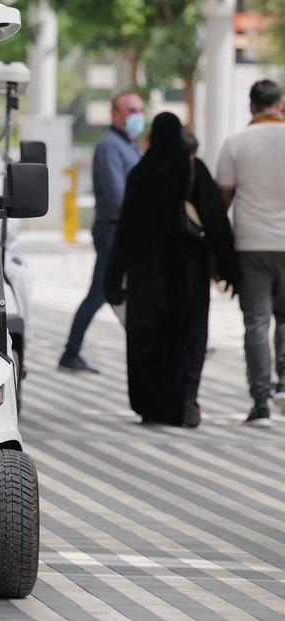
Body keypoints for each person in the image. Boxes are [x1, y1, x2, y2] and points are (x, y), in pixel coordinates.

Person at [104, 113, 238, 427]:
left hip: (145, 273)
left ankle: (150, 405)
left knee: (147, 337)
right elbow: (215, 221)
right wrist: (230, 267)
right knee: (189, 335)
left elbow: (125, 230)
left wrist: (113, 277)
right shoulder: (192, 168)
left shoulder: (140, 173)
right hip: (187, 270)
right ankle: (185, 399)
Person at [215, 79, 285, 427]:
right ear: (281, 104)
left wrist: (217, 252)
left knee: (256, 323)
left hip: (251, 244)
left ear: (251, 106)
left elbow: (222, 201)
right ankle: (284, 384)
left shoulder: (236, 143)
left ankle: (261, 404)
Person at [59, 91, 144, 373]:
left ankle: (153, 345)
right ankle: (71, 352)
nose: (137, 117)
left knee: (123, 292)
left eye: (140, 110)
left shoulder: (130, 145)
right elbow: (118, 195)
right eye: (131, 111)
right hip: (113, 230)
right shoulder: (110, 146)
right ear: (115, 115)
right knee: (100, 293)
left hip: (125, 230)